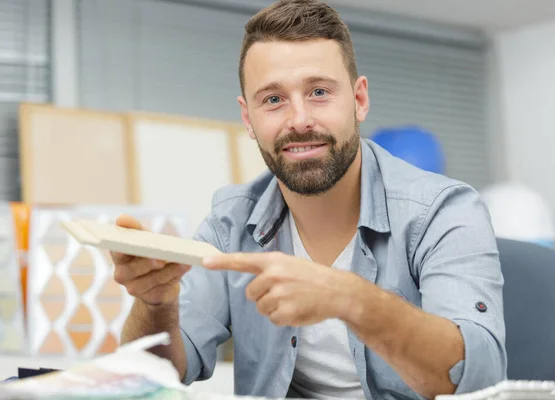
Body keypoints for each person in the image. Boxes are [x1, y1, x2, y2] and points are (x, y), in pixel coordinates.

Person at [114, 0, 507, 399]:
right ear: (248, 118)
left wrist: (350, 298)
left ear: (359, 101)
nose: (299, 119)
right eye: (273, 99)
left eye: (319, 92)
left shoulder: (444, 211)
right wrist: (155, 303)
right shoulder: (230, 222)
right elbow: (153, 375)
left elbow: (476, 378)